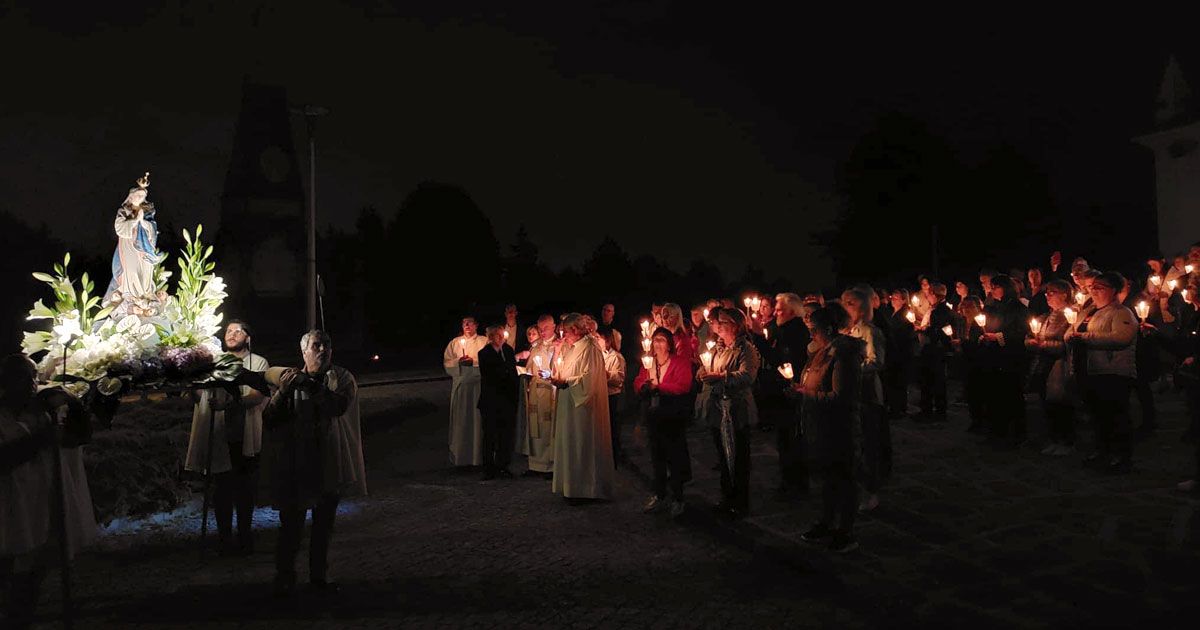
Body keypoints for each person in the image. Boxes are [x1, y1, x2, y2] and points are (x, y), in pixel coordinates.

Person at [261, 330, 366, 596]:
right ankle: (285, 576)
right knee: (291, 526)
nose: (322, 349)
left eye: (326, 345)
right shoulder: (289, 379)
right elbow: (270, 419)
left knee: (323, 526)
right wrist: (282, 393)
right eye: (316, 345)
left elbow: (338, 406)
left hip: (329, 459)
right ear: (304, 351)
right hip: (295, 461)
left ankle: (319, 576)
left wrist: (311, 386)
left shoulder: (342, 378)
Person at [1, 355, 96, 628]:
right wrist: (40, 439)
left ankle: (21, 618)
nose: (31, 385)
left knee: (32, 574)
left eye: (33, 378)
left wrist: (73, 401)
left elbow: (79, 437)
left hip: (37, 508)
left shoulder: (39, 411)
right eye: (23, 378)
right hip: (8, 510)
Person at [184, 319, 269, 555]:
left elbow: (257, 395)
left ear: (248, 338)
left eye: (238, 331)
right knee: (221, 491)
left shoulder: (257, 362)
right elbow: (199, 397)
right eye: (228, 331)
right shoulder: (213, 362)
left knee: (245, 490)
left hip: (243, 435)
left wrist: (231, 402)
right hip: (219, 435)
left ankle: (244, 536)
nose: (231, 335)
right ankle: (223, 539)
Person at [797, 305, 864, 554]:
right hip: (822, 425)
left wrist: (807, 395)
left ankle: (846, 531)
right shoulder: (823, 351)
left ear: (827, 328)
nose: (811, 335)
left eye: (814, 330)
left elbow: (841, 397)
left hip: (840, 427)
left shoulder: (843, 355)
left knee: (844, 478)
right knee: (827, 478)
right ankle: (826, 522)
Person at [1066, 272, 1138, 473]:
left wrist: (1086, 337)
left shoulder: (1121, 312)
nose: (1094, 291)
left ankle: (1121, 457)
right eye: (1092, 287)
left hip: (1113, 371)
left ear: (1113, 290)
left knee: (1115, 415)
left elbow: (1122, 337)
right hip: (1090, 371)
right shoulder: (1088, 311)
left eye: (1100, 287)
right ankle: (1102, 452)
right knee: (1097, 416)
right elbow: (1070, 332)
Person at [697, 308, 760, 519]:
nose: (718, 325)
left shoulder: (746, 349)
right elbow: (705, 366)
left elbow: (747, 376)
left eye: (723, 322)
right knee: (723, 455)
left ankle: (740, 501)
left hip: (737, 409)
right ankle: (727, 497)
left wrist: (721, 377)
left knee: (739, 455)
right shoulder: (717, 348)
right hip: (718, 408)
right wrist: (703, 373)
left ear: (735, 325)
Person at [550, 314, 615, 502]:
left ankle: (586, 489)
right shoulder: (574, 347)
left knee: (582, 444)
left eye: (566, 332)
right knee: (571, 444)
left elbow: (589, 380)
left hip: (584, 410)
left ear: (576, 330)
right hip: (569, 405)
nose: (564, 336)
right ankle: (571, 487)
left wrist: (566, 382)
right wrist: (558, 376)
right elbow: (563, 369)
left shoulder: (591, 348)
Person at [633, 327, 693, 517]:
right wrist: (643, 386)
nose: (657, 343)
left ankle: (678, 498)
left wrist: (660, 387)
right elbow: (638, 381)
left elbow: (684, 385)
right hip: (654, 416)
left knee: (674, 457)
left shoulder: (679, 362)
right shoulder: (648, 362)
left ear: (669, 344)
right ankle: (659, 495)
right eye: (655, 340)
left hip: (672, 415)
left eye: (661, 340)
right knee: (656, 457)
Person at [841, 288, 888, 513]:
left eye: (850, 302)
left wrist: (851, 370)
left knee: (868, 443)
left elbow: (876, 361)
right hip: (852, 392)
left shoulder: (869, 331)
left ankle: (872, 491)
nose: (846, 306)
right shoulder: (849, 330)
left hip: (867, 393)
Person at [103, 172, 167, 317]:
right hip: (129, 246)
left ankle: (145, 295)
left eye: (142, 196)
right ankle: (130, 295)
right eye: (138, 195)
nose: (140, 198)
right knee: (130, 270)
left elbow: (152, 228)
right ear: (131, 196)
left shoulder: (147, 211)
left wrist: (143, 221)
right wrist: (134, 221)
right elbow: (119, 227)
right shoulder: (124, 210)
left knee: (144, 271)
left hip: (144, 248)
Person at [1026, 280, 1076, 455]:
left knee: (1061, 404)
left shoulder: (1070, 315)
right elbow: (1031, 335)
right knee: (1048, 405)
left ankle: (1066, 441)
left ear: (1064, 295)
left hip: (1059, 366)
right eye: (1046, 292)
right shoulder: (1045, 317)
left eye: (1052, 292)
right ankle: (1054, 438)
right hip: (1044, 365)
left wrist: (1044, 345)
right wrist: (1031, 342)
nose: (1047, 295)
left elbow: (1067, 343)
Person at [980, 274, 1030, 447]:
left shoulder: (1017, 307)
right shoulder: (993, 307)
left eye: (996, 287)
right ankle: (997, 431)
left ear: (1006, 288)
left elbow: (1021, 331)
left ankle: (1017, 434)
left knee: (1012, 395)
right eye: (991, 287)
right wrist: (984, 336)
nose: (992, 290)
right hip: (994, 357)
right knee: (995, 395)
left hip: (1012, 357)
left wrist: (999, 337)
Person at [772, 293, 812, 497]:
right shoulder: (784, 330)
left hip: (793, 390)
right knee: (786, 438)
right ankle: (790, 479)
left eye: (779, 310)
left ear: (791, 311)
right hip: (785, 390)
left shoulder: (794, 332)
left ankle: (795, 482)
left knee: (792, 438)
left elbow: (787, 359)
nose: (774, 312)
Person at [443, 317, 488, 467]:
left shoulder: (484, 341)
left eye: (470, 323)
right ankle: (461, 458)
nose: (467, 325)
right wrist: (458, 363)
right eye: (464, 323)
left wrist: (473, 362)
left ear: (476, 325)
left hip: (477, 386)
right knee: (461, 421)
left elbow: (488, 361)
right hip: (461, 386)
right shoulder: (455, 343)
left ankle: (478, 458)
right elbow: (448, 363)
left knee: (477, 421)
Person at [477, 326, 518, 480]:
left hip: (507, 401)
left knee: (505, 435)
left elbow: (512, 371)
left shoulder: (507, 350)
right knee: (490, 435)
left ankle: (503, 465)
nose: (501, 338)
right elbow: (491, 376)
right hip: (491, 401)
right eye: (497, 335)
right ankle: (488, 468)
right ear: (491, 337)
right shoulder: (484, 354)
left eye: (502, 335)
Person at [521, 315, 558, 478]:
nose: (542, 332)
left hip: (551, 392)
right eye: (540, 329)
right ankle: (535, 464)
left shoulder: (560, 346)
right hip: (536, 391)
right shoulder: (535, 347)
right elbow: (529, 368)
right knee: (535, 427)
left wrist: (551, 374)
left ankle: (550, 466)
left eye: (546, 328)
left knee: (549, 428)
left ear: (554, 327)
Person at [914, 282, 955, 422]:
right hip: (934, 348)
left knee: (932, 380)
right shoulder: (937, 309)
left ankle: (933, 411)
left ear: (934, 295)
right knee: (932, 380)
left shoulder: (940, 310)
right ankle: (933, 410)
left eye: (929, 294)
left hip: (934, 350)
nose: (927, 297)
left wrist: (923, 329)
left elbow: (940, 330)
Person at [885, 289, 916, 418]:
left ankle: (898, 408)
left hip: (900, 351)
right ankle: (898, 407)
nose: (893, 300)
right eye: (892, 297)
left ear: (904, 300)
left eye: (896, 298)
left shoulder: (904, 314)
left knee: (898, 380)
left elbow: (905, 332)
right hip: (897, 351)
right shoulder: (895, 313)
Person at [597, 328, 626, 466]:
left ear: (607, 340)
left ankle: (615, 459)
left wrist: (606, 374)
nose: (596, 341)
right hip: (601, 394)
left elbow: (619, 378)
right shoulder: (598, 355)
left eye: (599, 338)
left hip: (612, 396)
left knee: (613, 428)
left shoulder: (615, 357)